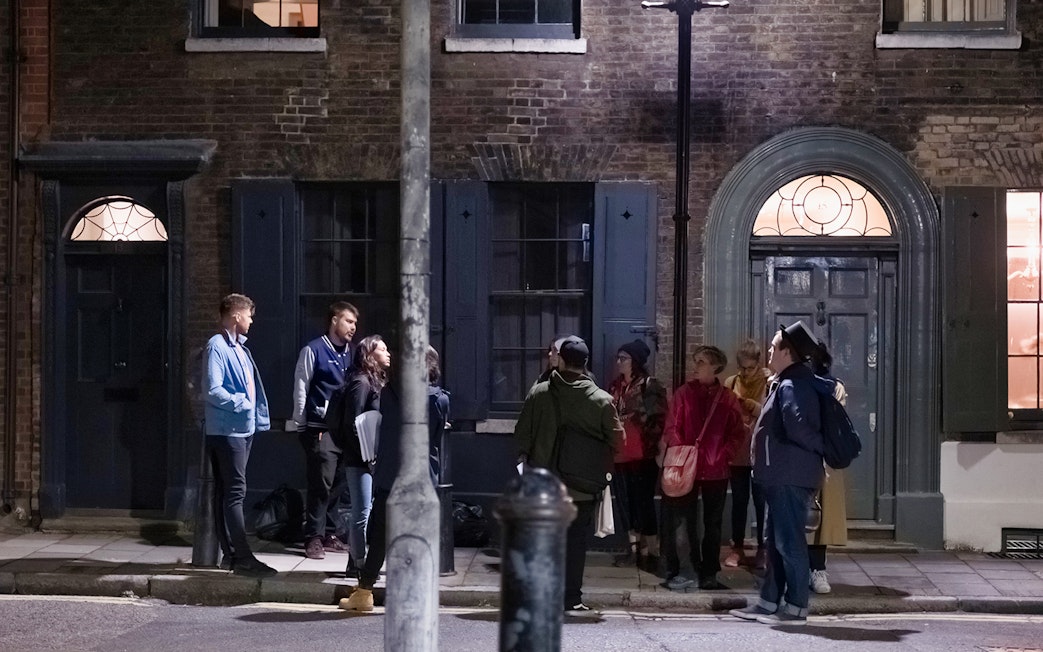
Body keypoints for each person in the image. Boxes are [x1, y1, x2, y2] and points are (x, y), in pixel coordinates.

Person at [514, 338, 623, 615]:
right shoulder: (602, 400)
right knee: (575, 545)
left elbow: (521, 437)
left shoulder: (539, 393)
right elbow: (619, 441)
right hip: (582, 487)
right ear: (585, 363)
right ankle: (571, 598)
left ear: (560, 360)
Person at [729, 321, 826, 626]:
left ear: (788, 353)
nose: (769, 352)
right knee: (775, 540)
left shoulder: (793, 386)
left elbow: (799, 427)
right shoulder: (785, 382)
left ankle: (796, 607)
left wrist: (815, 451)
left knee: (789, 542)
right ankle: (769, 602)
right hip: (779, 475)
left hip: (789, 476)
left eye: (773, 347)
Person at [340, 346, 450, 612]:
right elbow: (436, 439)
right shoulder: (439, 400)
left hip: (391, 478)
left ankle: (364, 593)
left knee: (379, 537)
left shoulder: (388, 393)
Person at [659, 345, 745, 591]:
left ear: (715, 367)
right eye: (695, 360)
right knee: (684, 520)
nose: (695, 365)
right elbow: (672, 426)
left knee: (713, 523)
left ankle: (709, 571)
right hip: (687, 468)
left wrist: (724, 455)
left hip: (715, 469)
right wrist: (682, 452)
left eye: (701, 361)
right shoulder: (684, 394)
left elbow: (737, 432)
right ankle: (687, 568)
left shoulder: (727, 399)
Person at [203, 293, 275, 578]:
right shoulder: (217, 346)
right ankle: (242, 557)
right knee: (234, 493)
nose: (252, 320)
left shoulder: (240, 349)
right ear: (236, 315)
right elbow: (212, 389)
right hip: (227, 430)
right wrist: (242, 403)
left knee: (230, 492)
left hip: (243, 429)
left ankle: (232, 556)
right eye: (249, 315)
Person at [292, 301, 359, 560]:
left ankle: (330, 533)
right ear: (334, 320)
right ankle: (313, 538)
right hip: (319, 428)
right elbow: (301, 385)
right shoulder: (314, 350)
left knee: (339, 482)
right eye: (348, 321)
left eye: (354, 323)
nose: (353, 327)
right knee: (321, 483)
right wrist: (301, 423)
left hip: (344, 430)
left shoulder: (353, 353)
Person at [330, 334, 391, 576]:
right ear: (369, 355)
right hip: (360, 459)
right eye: (382, 349)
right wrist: (366, 455)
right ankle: (357, 563)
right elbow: (351, 423)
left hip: (371, 458)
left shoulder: (374, 381)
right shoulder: (361, 383)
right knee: (362, 513)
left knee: (367, 511)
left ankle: (355, 560)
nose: (388, 354)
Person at [608, 339, 667, 572]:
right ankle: (632, 550)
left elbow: (659, 419)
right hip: (620, 454)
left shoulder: (649, 386)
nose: (619, 362)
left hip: (643, 455)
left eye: (624, 358)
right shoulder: (614, 387)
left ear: (636, 362)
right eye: (618, 358)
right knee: (626, 504)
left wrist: (651, 443)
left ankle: (651, 551)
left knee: (644, 503)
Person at [722, 339, 770, 570]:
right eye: (742, 367)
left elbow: (771, 415)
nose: (746, 372)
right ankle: (737, 547)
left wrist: (752, 406)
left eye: (750, 368)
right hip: (739, 451)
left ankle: (763, 548)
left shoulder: (769, 383)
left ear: (758, 364)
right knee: (739, 501)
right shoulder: (732, 382)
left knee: (761, 501)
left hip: (761, 452)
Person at [806, 342, 848, 595]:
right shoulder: (790, 384)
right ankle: (799, 570)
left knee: (818, 519)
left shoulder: (833, 387)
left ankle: (818, 570)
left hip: (823, 459)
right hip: (798, 458)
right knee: (797, 519)